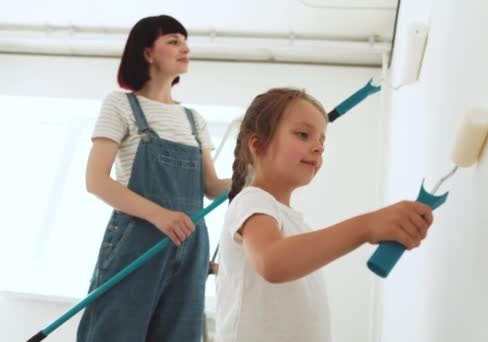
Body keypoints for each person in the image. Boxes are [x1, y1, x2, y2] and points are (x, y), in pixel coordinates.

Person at [215, 88, 434, 342]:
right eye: (303, 135)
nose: (318, 148)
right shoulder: (252, 201)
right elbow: (272, 262)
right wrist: (366, 226)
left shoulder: (292, 221)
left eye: (322, 140)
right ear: (258, 144)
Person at [77, 15, 230, 342]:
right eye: (173, 41)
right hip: (137, 241)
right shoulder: (121, 105)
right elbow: (96, 181)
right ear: (147, 52)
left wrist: (254, 175)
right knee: (115, 333)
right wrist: (158, 215)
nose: (185, 48)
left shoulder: (194, 120)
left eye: (185, 41)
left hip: (190, 245)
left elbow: (212, 187)